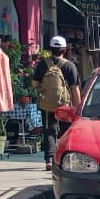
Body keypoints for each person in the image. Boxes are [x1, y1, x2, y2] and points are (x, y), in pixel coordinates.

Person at [33, 36, 82, 171]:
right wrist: (77, 107)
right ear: (64, 50)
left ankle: (49, 160)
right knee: (66, 132)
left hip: (47, 104)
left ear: (50, 49)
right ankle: (63, 159)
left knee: (49, 131)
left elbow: (35, 83)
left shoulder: (43, 64)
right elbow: (75, 88)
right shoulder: (69, 65)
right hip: (65, 105)